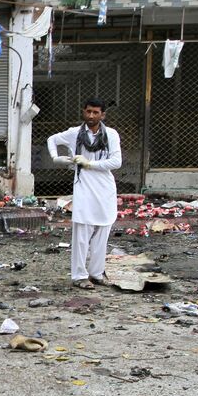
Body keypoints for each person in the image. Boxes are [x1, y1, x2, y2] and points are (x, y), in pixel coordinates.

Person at [47, 98, 122, 289]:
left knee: (102, 231)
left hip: (104, 187)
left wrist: (90, 164)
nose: (91, 116)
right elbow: (52, 140)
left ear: (103, 115)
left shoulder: (111, 135)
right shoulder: (74, 133)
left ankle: (96, 273)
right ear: (84, 112)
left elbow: (116, 162)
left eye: (95, 112)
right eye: (88, 111)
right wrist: (57, 158)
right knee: (82, 234)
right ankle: (79, 276)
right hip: (83, 186)